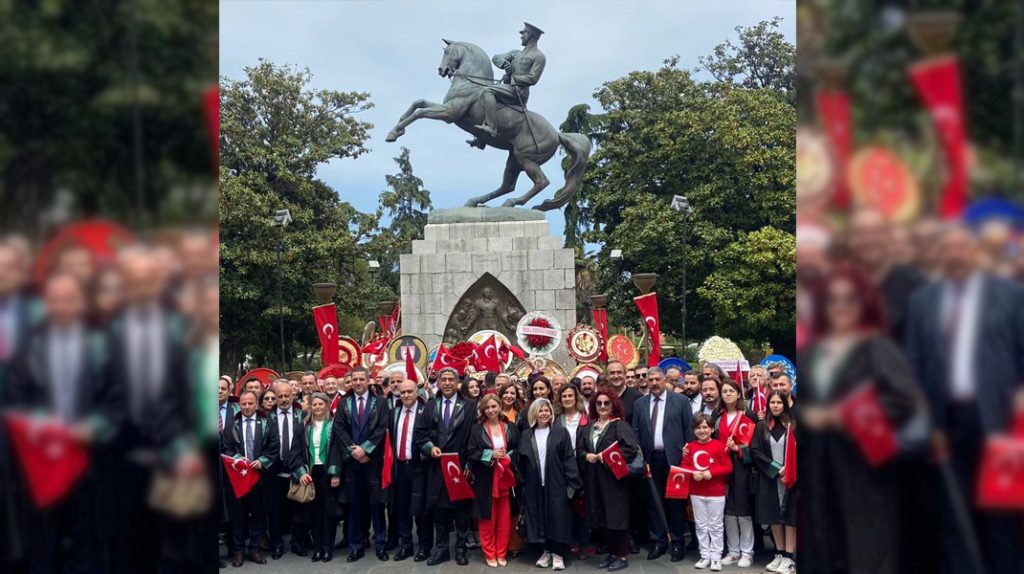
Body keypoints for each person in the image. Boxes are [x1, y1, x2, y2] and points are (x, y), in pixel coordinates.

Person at [904, 225, 1024, 574]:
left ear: (975, 253)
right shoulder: (922, 301)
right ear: (942, 255)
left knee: (999, 517)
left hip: (998, 423)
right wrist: (928, 421)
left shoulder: (1011, 296)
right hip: (945, 424)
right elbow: (912, 363)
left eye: (963, 248)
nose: (956, 255)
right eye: (949, 249)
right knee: (952, 516)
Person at [798, 263, 923, 574]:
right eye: (832, 299)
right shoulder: (812, 353)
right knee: (825, 539)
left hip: (864, 462)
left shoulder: (877, 347)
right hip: (819, 463)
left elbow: (905, 399)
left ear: (864, 302)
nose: (840, 307)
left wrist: (845, 414)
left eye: (849, 299)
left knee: (868, 544)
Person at [8, 272, 123, 574]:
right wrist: (43, 428)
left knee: (87, 546)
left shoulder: (103, 347)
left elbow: (116, 401)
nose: (61, 306)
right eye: (55, 299)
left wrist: (94, 427)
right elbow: (16, 401)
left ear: (81, 302)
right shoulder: (27, 349)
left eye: (69, 299)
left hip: (88, 463)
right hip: (40, 467)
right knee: (43, 547)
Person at [414, 367, 478, 566]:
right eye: (444, 379)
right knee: (439, 510)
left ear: (458, 382)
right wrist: (429, 448)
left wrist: (469, 464)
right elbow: (420, 434)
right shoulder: (431, 405)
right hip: (437, 466)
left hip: (461, 467)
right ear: (439, 383)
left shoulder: (469, 405)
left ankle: (460, 549)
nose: (448, 383)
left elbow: (474, 437)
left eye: (452, 379)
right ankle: (441, 550)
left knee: (461, 511)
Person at [631, 367, 694, 562]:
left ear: (665, 380)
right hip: (651, 460)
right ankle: (657, 542)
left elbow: (688, 430)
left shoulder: (681, 401)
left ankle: (677, 543)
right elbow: (636, 431)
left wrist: (687, 456)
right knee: (653, 502)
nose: (654, 383)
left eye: (658, 379)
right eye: (651, 380)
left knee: (675, 503)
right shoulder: (640, 403)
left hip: (674, 460)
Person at [332, 366, 389, 562]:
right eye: (354, 379)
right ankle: (356, 545)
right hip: (352, 463)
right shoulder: (344, 403)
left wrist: (366, 449)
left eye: (361, 379)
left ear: (368, 380)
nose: (357, 383)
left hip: (373, 462)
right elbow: (338, 429)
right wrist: (353, 450)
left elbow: (382, 428)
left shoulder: (380, 403)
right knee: (354, 505)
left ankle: (381, 543)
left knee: (377, 504)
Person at [518, 398, 582, 571]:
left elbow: (569, 459)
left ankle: (558, 554)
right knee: (540, 519)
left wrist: (572, 486)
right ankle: (545, 551)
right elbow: (521, 463)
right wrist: (523, 484)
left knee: (558, 518)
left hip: (557, 484)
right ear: (534, 413)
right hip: (535, 485)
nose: (544, 414)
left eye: (547, 410)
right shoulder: (526, 435)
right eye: (540, 411)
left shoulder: (560, 432)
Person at [582, 390, 640, 572]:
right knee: (605, 516)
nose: (603, 406)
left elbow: (630, 449)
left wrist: (605, 457)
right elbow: (580, 449)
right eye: (599, 403)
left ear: (613, 404)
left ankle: (622, 555)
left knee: (618, 516)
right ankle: (612, 553)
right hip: (595, 478)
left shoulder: (619, 425)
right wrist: (587, 455)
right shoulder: (590, 427)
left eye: (607, 403)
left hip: (615, 478)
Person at [223, 390, 280, 567]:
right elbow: (226, 448)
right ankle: (238, 551)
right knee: (238, 516)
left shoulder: (266, 423)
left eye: (250, 403)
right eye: (243, 404)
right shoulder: (232, 424)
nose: (247, 407)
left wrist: (261, 461)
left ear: (257, 404)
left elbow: (274, 446)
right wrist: (239, 460)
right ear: (239, 405)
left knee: (258, 514)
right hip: (239, 478)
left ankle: (255, 549)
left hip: (259, 477)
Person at [467, 394, 520, 567]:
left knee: (504, 519)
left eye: (494, 406)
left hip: (506, 478)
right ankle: (489, 553)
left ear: (499, 406)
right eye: (487, 407)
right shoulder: (477, 429)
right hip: (486, 479)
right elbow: (472, 452)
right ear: (483, 409)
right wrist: (491, 454)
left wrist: (509, 458)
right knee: (487, 519)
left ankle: (501, 552)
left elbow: (518, 449)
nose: (490, 410)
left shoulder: (510, 427)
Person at [471, 22, 547, 142]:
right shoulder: (515, 53)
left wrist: (515, 79)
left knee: (488, 91)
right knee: (487, 100)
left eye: (524, 33)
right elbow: (496, 57)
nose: (521, 35)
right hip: (507, 88)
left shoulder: (539, 56)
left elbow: (533, 78)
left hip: (519, 91)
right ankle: (481, 140)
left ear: (531, 35)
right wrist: (505, 64)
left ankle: (491, 128)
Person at [750, 392, 796, 574]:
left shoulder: (794, 425)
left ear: (785, 404)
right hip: (771, 478)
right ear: (768, 405)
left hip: (791, 479)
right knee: (774, 516)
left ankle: (789, 558)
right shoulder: (762, 427)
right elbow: (755, 451)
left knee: (790, 518)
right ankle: (779, 553)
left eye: (779, 402)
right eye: (772, 403)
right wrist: (776, 469)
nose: (776, 406)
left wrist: (790, 469)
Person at [387, 380, 433, 562]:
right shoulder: (394, 412)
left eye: (409, 391)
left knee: (421, 510)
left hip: (419, 467)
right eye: (403, 392)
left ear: (417, 392)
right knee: (402, 509)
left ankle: (424, 546)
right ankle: (406, 545)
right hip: (399, 467)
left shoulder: (425, 412)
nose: (406, 395)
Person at [714, 379, 756, 567]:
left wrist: (738, 449)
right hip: (722, 467)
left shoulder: (748, 415)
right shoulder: (717, 415)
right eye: (724, 391)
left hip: (742, 467)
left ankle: (747, 552)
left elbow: (755, 447)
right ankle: (733, 550)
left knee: (743, 509)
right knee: (728, 511)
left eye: (732, 390)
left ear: (739, 393)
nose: (728, 394)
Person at [684, 414, 733, 571]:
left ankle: (716, 557)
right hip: (696, 492)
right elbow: (684, 465)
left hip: (715, 493)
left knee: (716, 525)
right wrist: (693, 473)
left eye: (705, 427)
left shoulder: (719, 446)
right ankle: (705, 555)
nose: (702, 430)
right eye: (698, 427)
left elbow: (728, 467)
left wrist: (711, 473)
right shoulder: (690, 447)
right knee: (700, 525)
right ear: (694, 430)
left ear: (712, 429)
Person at [266, 380, 308, 559]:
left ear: (293, 395)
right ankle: (277, 544)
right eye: (279, 396)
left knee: (299, 508)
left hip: (297, 468)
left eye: (287, 396)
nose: (283, 399)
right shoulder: (267, 417)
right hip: (275, 470)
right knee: (275, 510)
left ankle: (298, 543)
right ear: (274, 398)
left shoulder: (303, 415)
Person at [299, 393, 340, 563]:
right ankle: (317, 548)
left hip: (327, 472)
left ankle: (327, 548)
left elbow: (338, 449)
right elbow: (296, 451)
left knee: (329, 513)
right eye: (314, 404)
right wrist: (301, 472)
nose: (317, 407)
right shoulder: (304, 426)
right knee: (314, 513)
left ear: (327, 406)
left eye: (320, 404)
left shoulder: (334, 425)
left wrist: (335, 472)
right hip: (310, 473)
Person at [553, 384, 590, 559]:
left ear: (576, 398)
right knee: (565, 506)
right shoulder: (556, 419)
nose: (567, 399)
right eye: (564, 396)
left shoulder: (585, 419)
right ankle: (568, 542)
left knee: (582, 507)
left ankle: (583, 542)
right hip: (562, 469)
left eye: (570, 396)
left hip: (582, 468)